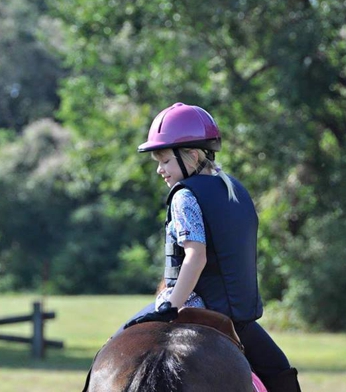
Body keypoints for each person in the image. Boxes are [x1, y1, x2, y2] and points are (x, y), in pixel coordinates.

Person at [124, 102, 302, 392]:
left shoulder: (184, 196)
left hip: (189, 305)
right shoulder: (234, 189)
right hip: (235, 318)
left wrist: (170, 307)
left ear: (192, 156)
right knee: (280, 373)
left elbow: (196, 256)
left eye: (165, 161)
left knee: (111, 349)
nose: (159, 170)